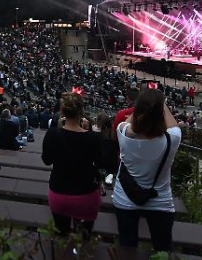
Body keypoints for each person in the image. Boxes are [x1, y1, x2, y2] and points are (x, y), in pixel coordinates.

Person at [113, 89, 182, 252]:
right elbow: (173, 124)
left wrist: (144, 103)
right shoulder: (172, 138)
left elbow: (129, 123)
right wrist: (160, 102)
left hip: (125, 197)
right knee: (163, 247)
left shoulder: (122, 132)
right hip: (160, 201)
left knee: (127, 244)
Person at [42, 92, 102, 237]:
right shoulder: (94, 137)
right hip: (86, 195)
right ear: (81, 112)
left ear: (62, 112)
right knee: (84, 238)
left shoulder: (53, 134)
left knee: (61, 236)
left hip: (59, 193)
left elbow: (47, 160)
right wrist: (88, 131)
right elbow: (99, 161)